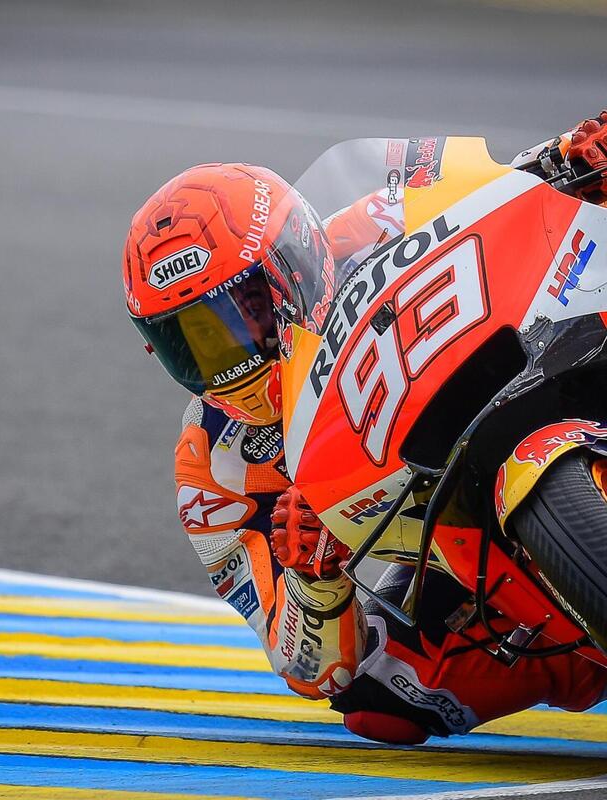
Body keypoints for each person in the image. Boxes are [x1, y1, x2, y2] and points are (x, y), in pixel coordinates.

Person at [123, 115, 607, 744]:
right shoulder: (213, 466)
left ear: (290, 265)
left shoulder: (372, 222)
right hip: (439, 529)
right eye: (191, 344)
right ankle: (579, 639)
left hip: (527, 347)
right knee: (379, 698)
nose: (226, 360)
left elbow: (495, 183)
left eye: (241, 316)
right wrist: (314, 582)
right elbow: (305, 666)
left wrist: (566, 155)